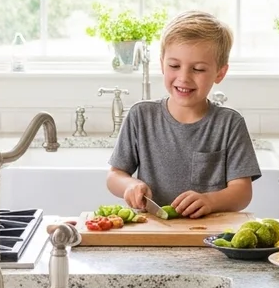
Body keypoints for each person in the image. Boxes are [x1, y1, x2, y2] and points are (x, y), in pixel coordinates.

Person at [107, 11, 261, 218]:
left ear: (220, 73)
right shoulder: (141, 116)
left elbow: (242, 193)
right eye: (174, 66)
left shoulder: (229, 123)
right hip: (152, 228)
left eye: (198, 69)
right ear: (162, 64)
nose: (184, 77)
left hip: (209, 231)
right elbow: (115, 175)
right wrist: (130, 185)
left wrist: (210, 201)